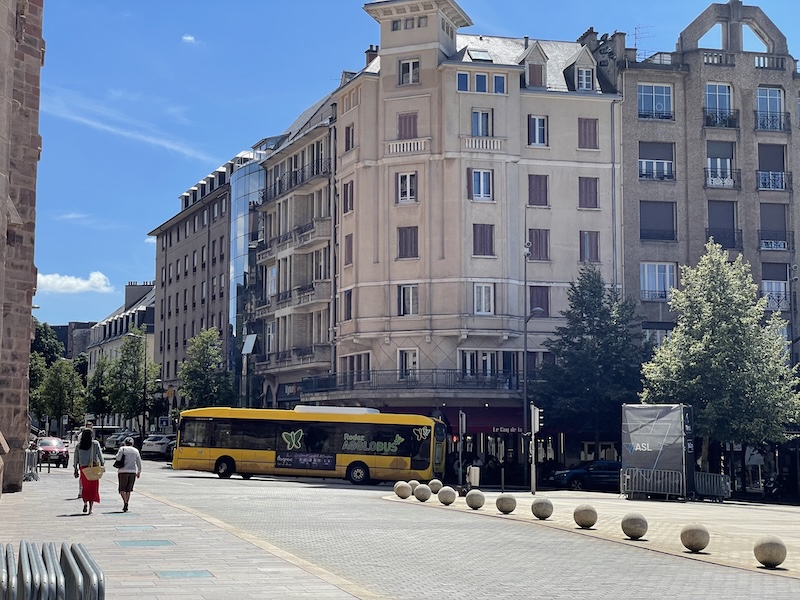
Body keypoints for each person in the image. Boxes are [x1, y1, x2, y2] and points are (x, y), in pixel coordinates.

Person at [74, 428, 104, 514]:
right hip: (93, 468)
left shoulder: (79, 445)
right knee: (93, 489)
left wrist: (75, 468)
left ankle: (85, 502)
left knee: (85, 487)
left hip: (83, 469)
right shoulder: (95, 444)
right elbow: (100, 455)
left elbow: (76, 458)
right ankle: (90, 508)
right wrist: (102, 464)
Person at [114, 437, 142, 512]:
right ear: (132, 444)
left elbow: (118, 458)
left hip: (122, 471)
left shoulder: (122, 449)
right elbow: (139, 462)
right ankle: (127, 502)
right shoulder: (136, 450)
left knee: (122, 489)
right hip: (132, 471)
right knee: (128, 489)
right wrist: (139, 471)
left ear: (125, 443)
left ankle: (125, 502)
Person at [76, 422, 94, 499]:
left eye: (91, 427)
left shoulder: (92, 436)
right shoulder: (81, 436)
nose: (90, 428)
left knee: (89, 478)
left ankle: (87, 492)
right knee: (83, 478)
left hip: (90, 461)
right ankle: (81, 491)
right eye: (89, 427)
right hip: (84, 460)